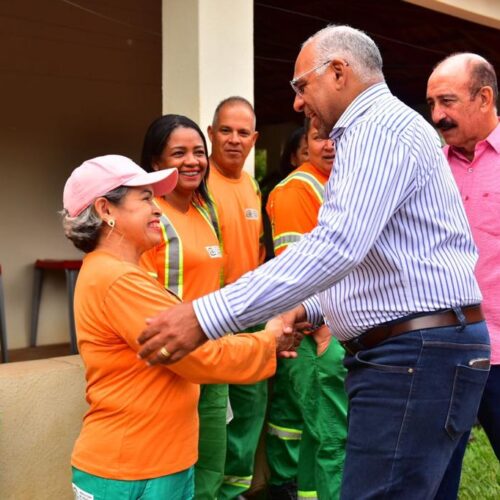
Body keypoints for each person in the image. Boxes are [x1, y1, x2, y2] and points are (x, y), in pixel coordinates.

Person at [137, 25, 491, 499]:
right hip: (419, 351)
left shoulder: (377, 130)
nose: (298, 104)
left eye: (302, 86)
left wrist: (206, 316)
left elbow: (337, 245)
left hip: (413, 355)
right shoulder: (380, 131)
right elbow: (380, 260)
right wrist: (307, 310)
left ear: (339, 72)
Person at [62, 155, 297, 500]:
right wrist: (268, 340)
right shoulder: (117, 279)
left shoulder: (119, 273)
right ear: (105, 210)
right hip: (134, 470)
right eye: (144, 198)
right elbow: (198, 356)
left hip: (152, 463)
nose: (157, 208)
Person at [139, 114, 227, 499]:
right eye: (179, 153)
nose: (192, 161)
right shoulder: (148, 217)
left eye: (198, 152)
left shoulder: (207, 210)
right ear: (156, 163)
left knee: (211, 463)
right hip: (171, 363)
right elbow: (138, 294)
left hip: (213, 358)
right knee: (172, 470)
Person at [427, 53, 500, 498]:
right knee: (434, 480)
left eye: (447, 101)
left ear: (485, 97)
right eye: (432, 102)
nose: (437, 115)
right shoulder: (429, 169)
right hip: (443, 352)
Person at [266, 117, 347, 500]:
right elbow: (298, 273)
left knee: (324, 438)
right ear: (305, 144)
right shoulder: (299, 189)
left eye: (336, 137)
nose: (329, 145)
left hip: (336, 328)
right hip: (318, 333)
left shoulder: (341, 183)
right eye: (319, 138)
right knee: (334, 439)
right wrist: (322, 326)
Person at [205, 96, 266, 499]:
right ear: (211, 134)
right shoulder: (197, 182)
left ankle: (236, 491)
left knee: (249, 411)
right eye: (225, 130)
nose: (233, 139)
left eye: (243, 132)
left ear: (254, 139)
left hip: (255, 314)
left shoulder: (252, 184)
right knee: (215, 419)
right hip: (215, 317)